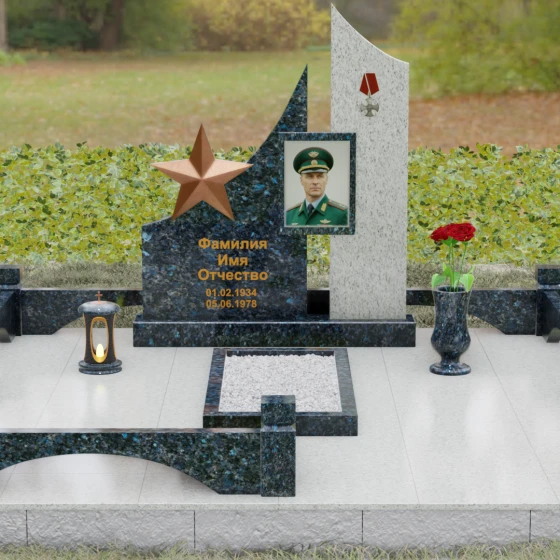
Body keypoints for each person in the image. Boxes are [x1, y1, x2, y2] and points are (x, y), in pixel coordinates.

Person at [285, 147, 348, 226]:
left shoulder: (341, 214)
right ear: (301, 180)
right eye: (309, 176)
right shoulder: (289, 215)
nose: (315, 182)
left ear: (326, 179)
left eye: (320, 176)